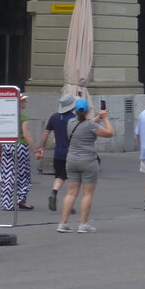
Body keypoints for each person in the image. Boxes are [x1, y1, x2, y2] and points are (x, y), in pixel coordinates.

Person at [59, 98, 112, 233]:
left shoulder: (70, 122)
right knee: (87, 193)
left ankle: (63, 223)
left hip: (72, 160)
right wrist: (105, 118)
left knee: (71, 193)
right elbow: (109, 133)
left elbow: (85, 125)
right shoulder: (90, 126)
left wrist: (98, 117)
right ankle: (83, 224)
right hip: (88, 161)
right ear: (88, 111)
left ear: (75, 111)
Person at [37, 93, 78, 211]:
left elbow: (46, 132)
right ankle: (70, 204)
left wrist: (42, 147)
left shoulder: (54, 117)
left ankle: (54, 192)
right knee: (73, 179)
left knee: (60, 176)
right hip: (72, 153)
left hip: (58, 154)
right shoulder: (74, 119)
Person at [0, 93, 35, 212]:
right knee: (23, 174)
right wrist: (35, 149)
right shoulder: (23, 117)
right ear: (19, 103)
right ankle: (21, 199)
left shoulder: (7, 116)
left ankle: (7, 203)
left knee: (7, 174)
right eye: (24, 101)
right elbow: (26, 135)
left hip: (7, 145)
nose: (26, 102)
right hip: (20, 146)